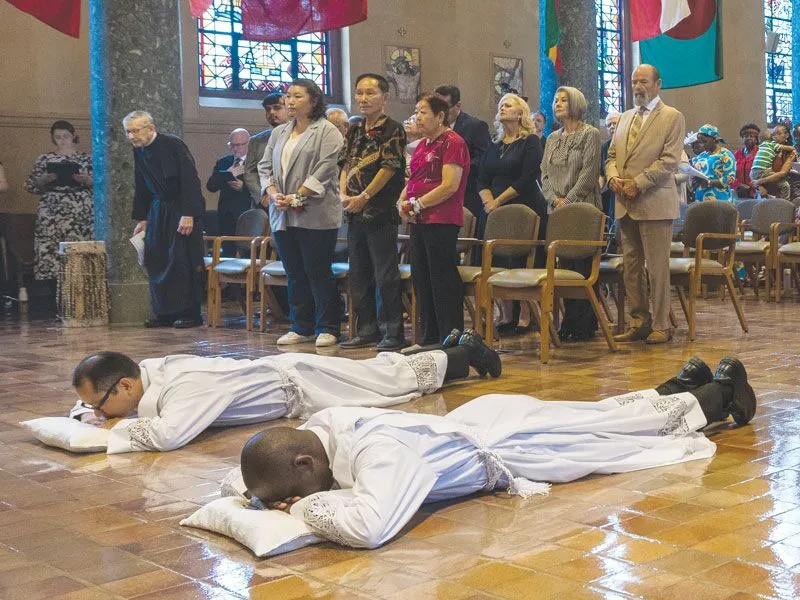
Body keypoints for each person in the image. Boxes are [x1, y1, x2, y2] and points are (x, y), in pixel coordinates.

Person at [240, 356, 757, 549]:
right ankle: (680, 387)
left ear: (305, 465)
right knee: (603, 417)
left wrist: (304, 506)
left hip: (514, 444)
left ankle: (722, 395)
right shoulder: (319, 429)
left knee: (617, 437)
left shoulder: (381, 454)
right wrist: (267, 492)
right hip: (484, 422)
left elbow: (371, 527)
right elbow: (265, 466)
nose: (289, 503)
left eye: (290, 493)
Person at [65, 330, 502, 454]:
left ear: (125, 384)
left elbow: (169, 435)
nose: (99, 413)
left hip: (301, 382)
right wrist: (93, 412)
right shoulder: (149, 374)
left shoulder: (184, 387)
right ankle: (448, 347)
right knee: (379, 373)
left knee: (391, 383)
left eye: (100, 404)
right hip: (294, 379)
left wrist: (111, 428)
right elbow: (115, 409)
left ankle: (466, 354)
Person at [258, 79, 344, 347]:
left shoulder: (327, 131)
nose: (289, 101)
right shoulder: (279, 133)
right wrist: (274, 194)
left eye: (296, 96)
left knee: (317, 271)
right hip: (282, 212)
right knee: (294, 271)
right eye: (288, 96)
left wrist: (298, 196)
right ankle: (301, 325)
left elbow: (326, 168)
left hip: (315, 212)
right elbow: (264, 167)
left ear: (313, 100)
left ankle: (328, 325)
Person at [606, 65, 685, 345]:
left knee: (657, 267)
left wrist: (638, 183)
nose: (638, 87)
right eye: (633, 81)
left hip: (653, 201)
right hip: (624, 202)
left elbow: (669, 161)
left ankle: (662, 325)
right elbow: (611, 156)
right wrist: (614, 177)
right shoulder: (626, 117)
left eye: (643, 82)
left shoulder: (672, 117)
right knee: (631, 267)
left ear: (658, 84)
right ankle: (639, 321)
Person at [338, 73, 407, 350]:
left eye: (370, 93)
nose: (363, 99)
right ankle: (365, 329)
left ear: (385, 97)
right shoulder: (354, 129)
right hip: (353, 211)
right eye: (359, 93)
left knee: (385, 274)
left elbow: (389, 168)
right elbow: (344, 164)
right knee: (359, 272)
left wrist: (365, 196)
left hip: (379, 212)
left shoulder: (393, 129)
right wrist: (344, 194)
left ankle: (392, 331)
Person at [398, 92, 469, 345]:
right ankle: (428, 337)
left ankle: (449, 337)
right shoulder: (421, 145)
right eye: (416, 111)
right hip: (418, 220)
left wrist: (418, 204)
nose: (417, 116)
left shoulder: (453, 142)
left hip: (441, 219)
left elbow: (450, 185)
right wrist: (402, 201)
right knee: (422, 278)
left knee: (442, 279)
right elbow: (414, 180)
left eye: (423, 112)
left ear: (440, 116)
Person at [125, 111, 205, 329]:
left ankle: (190, 313)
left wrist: (189, 213)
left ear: (151, 128)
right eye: (128, 132)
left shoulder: (173, 144)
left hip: (180, 209)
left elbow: (190, 179)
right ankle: (164, 313)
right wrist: (142, 217)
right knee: (156, 258)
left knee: (179, 260)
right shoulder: (139, 150)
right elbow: (141, 184)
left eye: (135, 131)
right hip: (158, 210)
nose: (132, 136)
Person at [477, 93, 545, 333]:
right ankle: (505, 316)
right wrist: (488, 203)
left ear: (520, 113)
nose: (502, 109)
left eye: (508, 106)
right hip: (495, 210)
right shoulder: (493, 146)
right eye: (500, 106)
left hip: (524, 207)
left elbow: (528, 177)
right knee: (499, 260)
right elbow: (482, 178)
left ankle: (526, 317)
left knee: (523, 259)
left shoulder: (530, 142)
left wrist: (498, 201)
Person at [541, 87, 603, 342]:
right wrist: (554, 199)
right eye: (555, 100)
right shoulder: (552, 138)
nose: (557, 103)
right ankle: (568, 321)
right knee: (564, 264)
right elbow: (544, 174)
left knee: (583, 265)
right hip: (557, 209)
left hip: (584, 206)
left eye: (563, 100)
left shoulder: (590, 134)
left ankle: (585, 323)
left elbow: (589, 173)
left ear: (576, 103)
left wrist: (568, 200)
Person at [24, 120, 94, 306]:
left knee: (77, 248)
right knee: (52, 250)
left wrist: (85, 179)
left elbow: (99, 185)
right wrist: (44, 179)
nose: (62, 140)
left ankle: (80, 294)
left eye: (65, 136)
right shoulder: (44, 159)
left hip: (78, 209)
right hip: (52, 211)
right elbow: (31, 185)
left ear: (73, 136)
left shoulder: (86, 159)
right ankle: (56, 295)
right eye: (58, 137)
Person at [434, 85, 490, 221]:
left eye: (445, 107)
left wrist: (455, 168)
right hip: (438, 190)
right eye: (436, 107)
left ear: (457, 105)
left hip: (467, 192)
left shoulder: (475, 126)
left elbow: (483, 159)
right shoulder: (434, 127)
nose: (440, 113)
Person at [206, 128, 253, 256]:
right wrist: (229, 173)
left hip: (248, 214)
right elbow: (211, 186)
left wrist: (243, 188)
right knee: (227, 254)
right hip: (226, 215)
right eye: (232, 145)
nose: (235, 149)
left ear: (248, 144)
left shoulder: (256, 162)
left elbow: (262, 190)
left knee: (249, 254)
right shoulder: (224, 162)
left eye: (238, 145)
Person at [245, 92, 289, 209]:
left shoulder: (300, 136)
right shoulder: (256, 141)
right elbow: (250, 173)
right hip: (265, 203)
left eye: (277, 108)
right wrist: (262, 197)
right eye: (268, 109)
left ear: (289, 109)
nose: (272, 113)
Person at [691, 124, 737, 202]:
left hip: (719, 198)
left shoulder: (725, 155)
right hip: (701, 197)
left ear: (714, 139)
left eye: (705, 141)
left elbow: (730, 179)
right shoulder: (701, 155)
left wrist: (709, 183)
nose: (702, 145)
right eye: (700, 142)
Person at [750, 124, 797, 200]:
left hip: (779, 190)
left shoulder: (790, 153)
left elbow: (782, 173)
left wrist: (759, 181)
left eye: (779, 133)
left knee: (785, 186)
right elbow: (755, 170)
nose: (775, 136)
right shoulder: (767, 148)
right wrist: (759, 186)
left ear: (787, 135)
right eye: (773, 134)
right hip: (764, 190)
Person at [732, 123, 760, 199]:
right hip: (739, 192)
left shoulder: (761, 153)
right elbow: (730, 174)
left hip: (757, 192)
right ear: (742, 138)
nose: (748, 138)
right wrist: (737, 185)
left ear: (756, 139)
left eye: (752, 136)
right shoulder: (737, 154)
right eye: (746, 136)